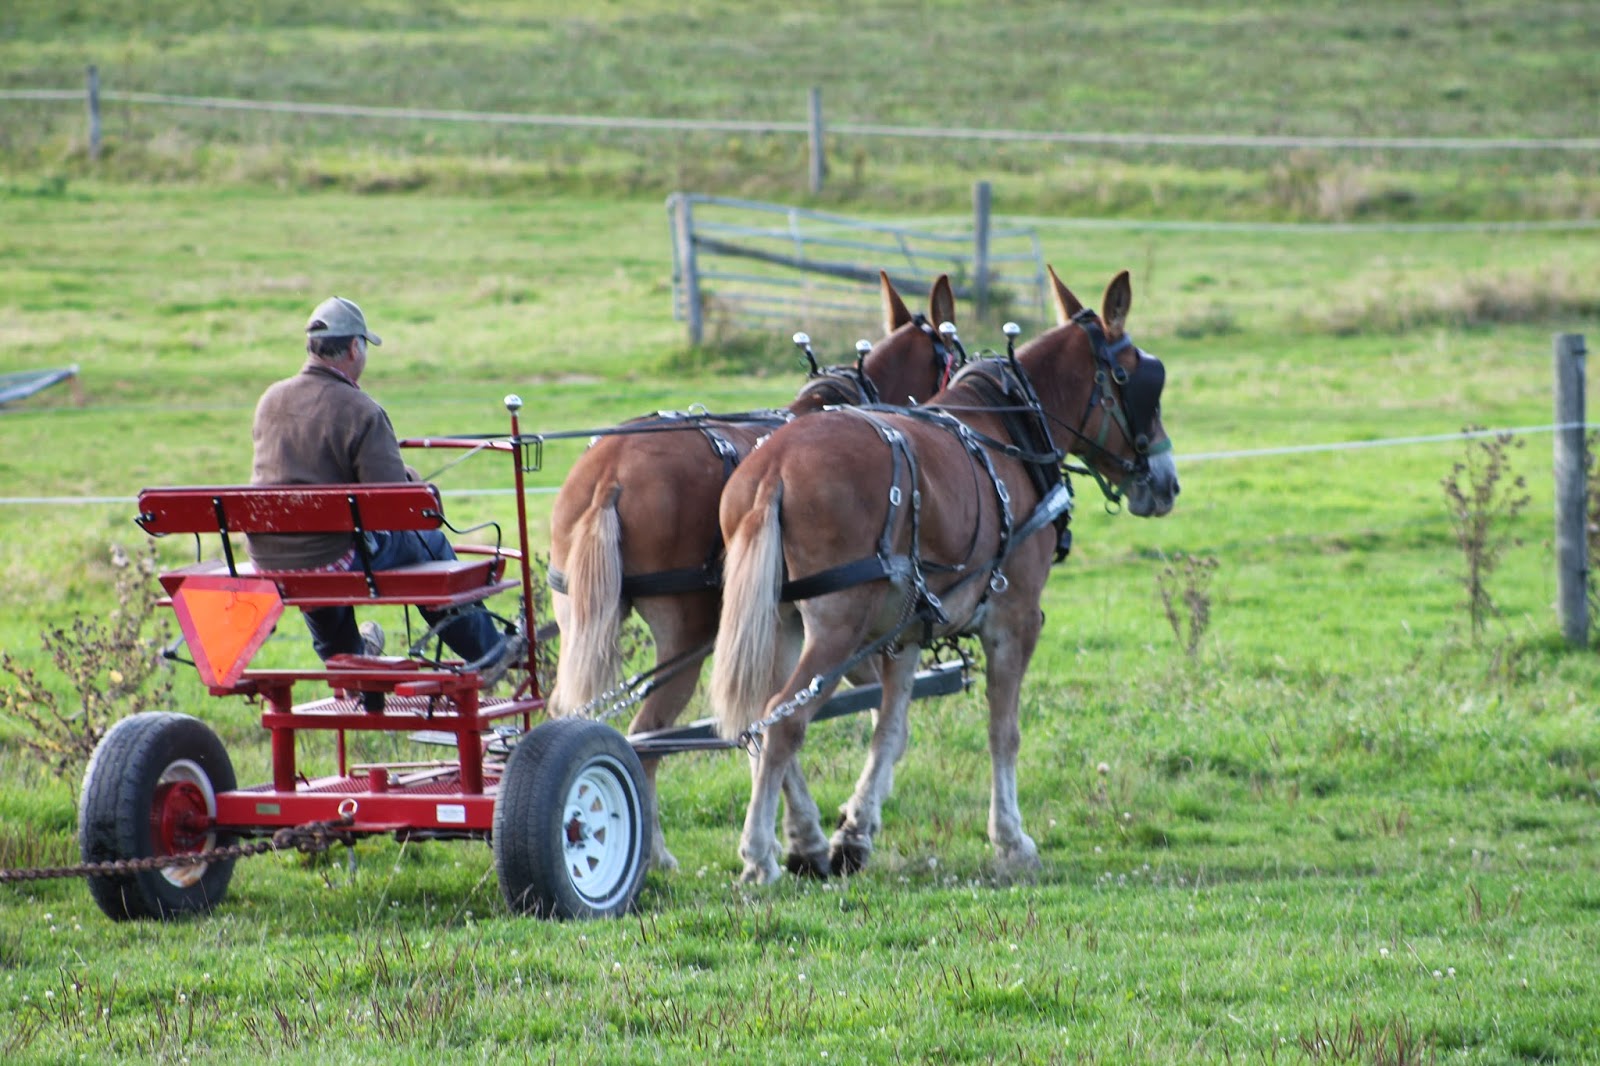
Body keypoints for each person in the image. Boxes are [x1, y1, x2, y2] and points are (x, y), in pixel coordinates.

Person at [246, 296, 524, 687]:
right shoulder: (362, 410)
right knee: (428, 542)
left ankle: (345, 657)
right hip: (334, 555)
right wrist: (415, 481)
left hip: (271, 558)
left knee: (317, 551)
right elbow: (396, 507)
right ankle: (489, 651)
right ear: (355, 348)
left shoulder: (270, 400)